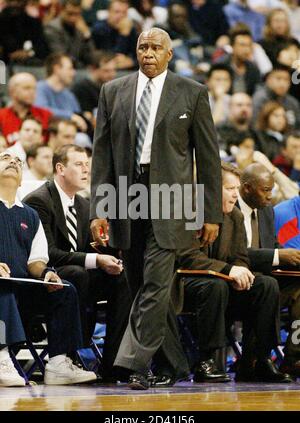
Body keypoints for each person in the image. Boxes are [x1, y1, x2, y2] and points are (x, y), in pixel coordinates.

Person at [90, 27, 223, 390]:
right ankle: (175, 364)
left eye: (155, 47)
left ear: (169, 55)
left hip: (172, 199)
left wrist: (210, 213)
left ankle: (134, 364)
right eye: (142, 47)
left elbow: (208, 160)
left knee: (154, 283)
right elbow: (101, 154)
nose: (147, 53)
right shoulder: (112, 91)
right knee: (142, 288)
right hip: (124, 196)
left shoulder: (192, 92)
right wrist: (99, 209)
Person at [172, 162, 292, 383]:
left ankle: (260, 359)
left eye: (237, 189)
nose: (236, 195)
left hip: (223, 284)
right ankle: (207, 361)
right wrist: (229, 271)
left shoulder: (234, 216)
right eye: (230, 189)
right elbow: (188, 257)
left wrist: (242, 272)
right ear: (210, 189)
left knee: (265, 284)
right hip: (186, 284)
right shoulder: (188, 212)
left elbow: (240, 257)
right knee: (215, 286)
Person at [24, 145, 131, 382]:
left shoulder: (84, 206)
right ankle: (67, 356)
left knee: (121, 278)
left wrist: (112, 254)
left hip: (77, 276)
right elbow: (48, 253)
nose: (86, 170)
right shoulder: (39, 201)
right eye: (79, 164)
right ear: (60, 168)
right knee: (76, 273)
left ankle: (113, 363)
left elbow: (91, 249)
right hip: (43, 278)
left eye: (87, 164)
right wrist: (96, 259)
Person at [0, 151, 97, 386]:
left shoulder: (30, 215)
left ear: (22, 179)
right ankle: (2, 356)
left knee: (64, 289)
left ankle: (58, 362)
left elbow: (36, 261)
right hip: (3, 288)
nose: (13, 162)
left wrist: (46, 274)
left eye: (17, 162)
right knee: (2, 287)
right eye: (5, 158)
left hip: (25, 288)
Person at [238, 163, 300, 377]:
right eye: (266, 190)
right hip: (233, 283)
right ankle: (256, 360)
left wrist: (292, 258)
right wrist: (279, 256)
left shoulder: (266, 212)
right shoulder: (228, 209)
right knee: (267, 285)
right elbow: (232, 254)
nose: (270, 196)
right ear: (246, 188)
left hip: (264, 281)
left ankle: (293, 358)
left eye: (271, 190)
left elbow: (273, 247)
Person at [0, 73, 52, 146]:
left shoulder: (46, 115)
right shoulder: (1, 116)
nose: (32, 92)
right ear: (12, 91)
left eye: (34, 88)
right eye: (27, 88)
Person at [44, 0, 95, 67]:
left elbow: (91, 58)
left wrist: (86, 35)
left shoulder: (80, 29)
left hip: (77, 69)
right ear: (61, 11)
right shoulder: (51, 28)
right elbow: (62, 57)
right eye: (70, 13)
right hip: (59, 69)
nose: (73, 18)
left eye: (77, 14)